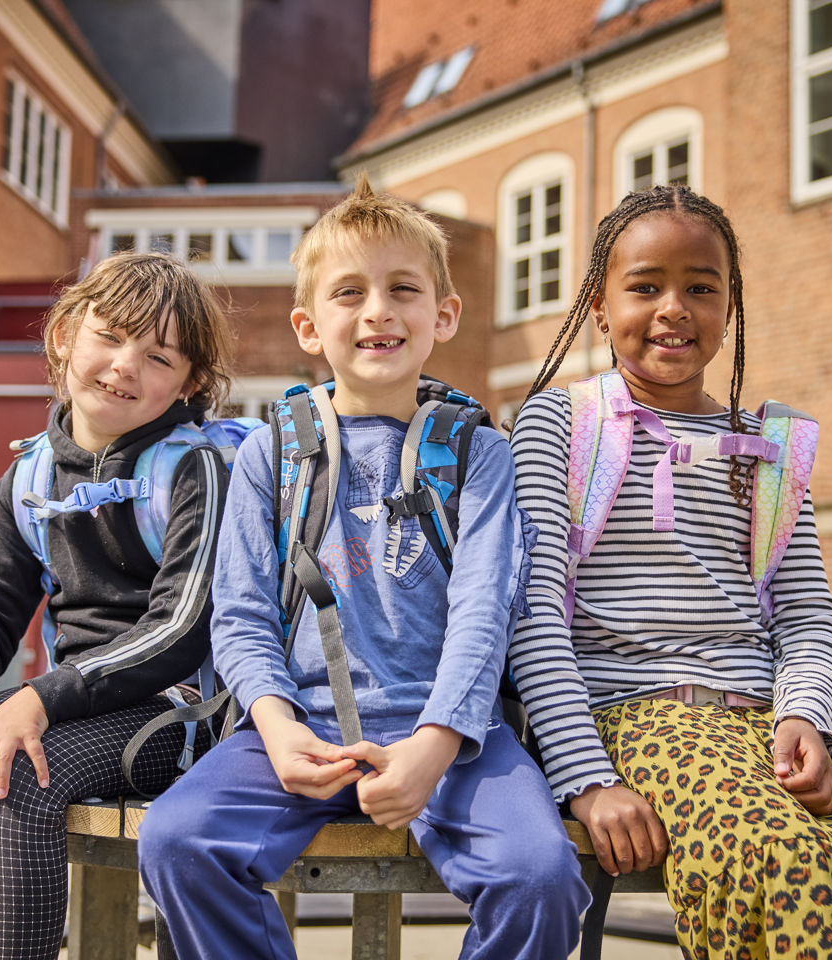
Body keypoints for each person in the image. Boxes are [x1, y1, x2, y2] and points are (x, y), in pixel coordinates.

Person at [509, 184, 832, 959]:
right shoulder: (562, 422)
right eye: (645, 287)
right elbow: (533, 615)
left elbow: (810, 620)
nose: (674, 309)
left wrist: (807, 717)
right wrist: (587, 780)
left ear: (731, 308)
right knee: (783, 861)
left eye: (701, 288)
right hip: (636, 718)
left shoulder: (771, 451)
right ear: (600, 309)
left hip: (769, 717)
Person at [137, 177, 590, 960]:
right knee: (177, 842)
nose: (378, 310)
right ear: (309, 326)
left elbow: (486, 614)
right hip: (299, 728)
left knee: (541, 874)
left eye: (402, 289)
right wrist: (278, 729)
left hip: (456, 735)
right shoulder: (269, 454)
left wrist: (433, 746)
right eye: (350, 292)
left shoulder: (482, 454)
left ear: (444, 315)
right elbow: (241, 617)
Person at [0, 251, 233, 960]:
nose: (125, 366)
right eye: (110, 336)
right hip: (73, 703)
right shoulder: (28, 476)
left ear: (189, 384)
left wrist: (38, 699)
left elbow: (181, 629)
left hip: (179, 710)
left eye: (158, 357)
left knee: (13, 778)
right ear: (65, 335)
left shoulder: (195, 469)